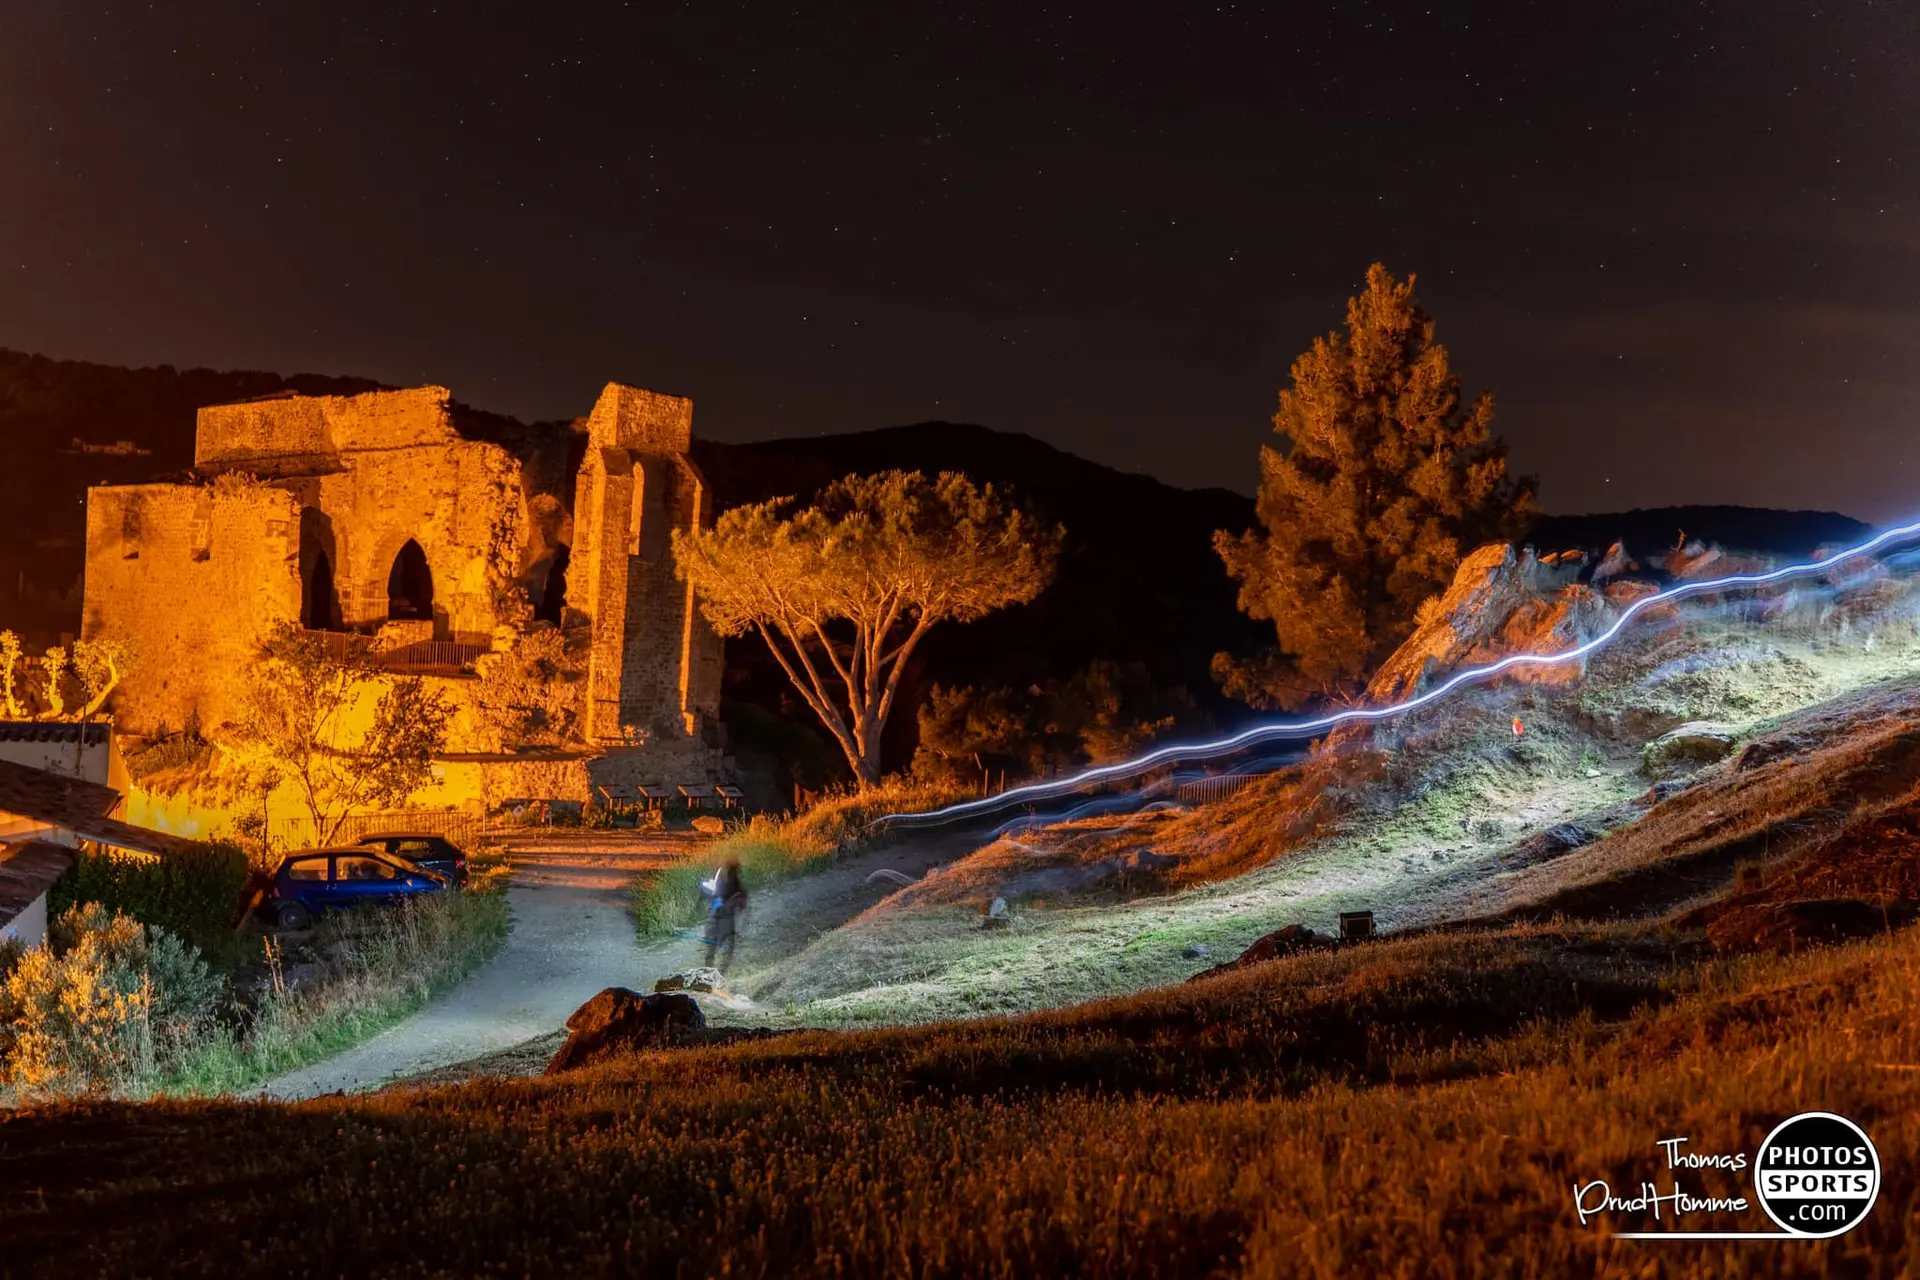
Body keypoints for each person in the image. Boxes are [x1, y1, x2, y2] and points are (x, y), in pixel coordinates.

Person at [703, 859, 748, 972]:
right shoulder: (734, 884)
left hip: (716, 916)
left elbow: (714, 895)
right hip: (723, 917)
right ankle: (718, 973)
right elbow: (741, 903)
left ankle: (710, 972)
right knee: (726, 948)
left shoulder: (722, 877)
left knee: (713, 948)